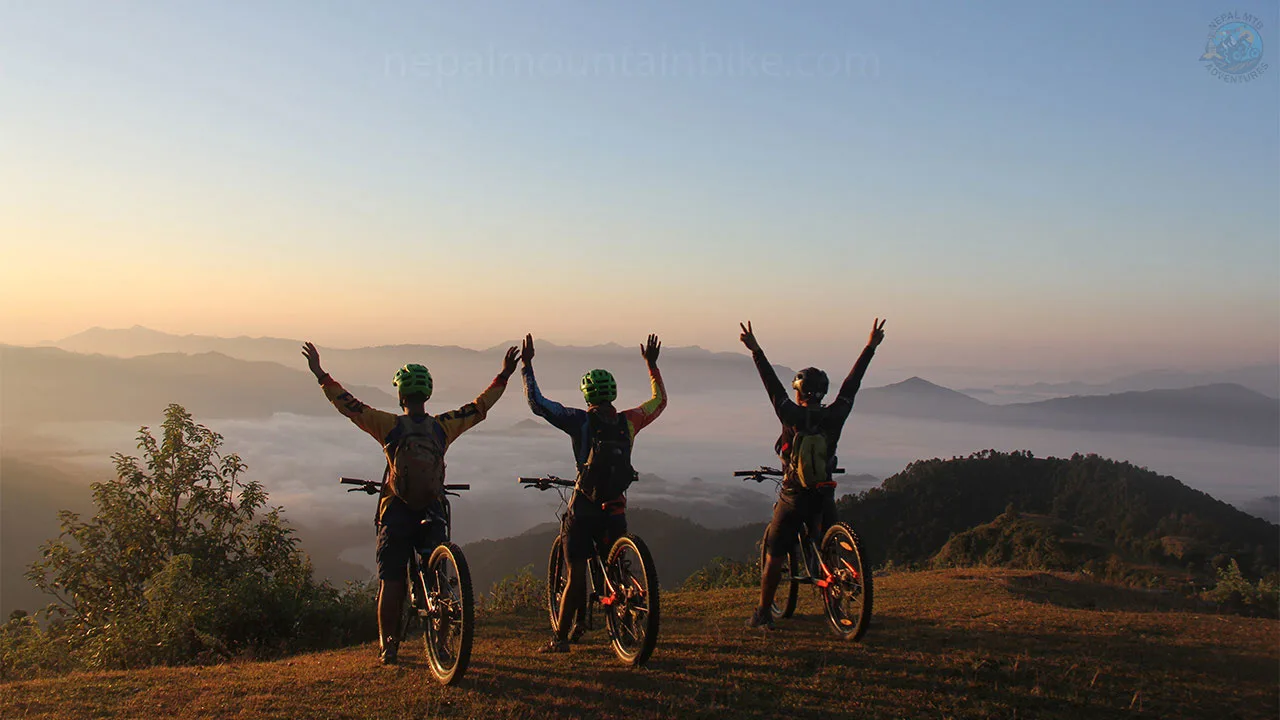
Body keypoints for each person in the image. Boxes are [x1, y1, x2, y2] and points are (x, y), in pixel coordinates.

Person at [301, 340, 519, 664]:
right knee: (438, 578)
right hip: (432, 509)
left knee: (391, 581)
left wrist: (320, 373)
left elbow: (349, 405)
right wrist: (504, 374)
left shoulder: (387, 426)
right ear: (427, 395)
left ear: (401, 395)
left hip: (396, 511)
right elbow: (478, 408)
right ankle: (443, 644)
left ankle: (388, 646)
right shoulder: (442, 427)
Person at [519, 332, 667, 653]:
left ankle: (560, 639)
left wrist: (527, 366)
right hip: (616, 508)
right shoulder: (629, 421)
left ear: (587, 395)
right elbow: (659, 403)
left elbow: (538, 405)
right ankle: (625, 621)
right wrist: (651, 366)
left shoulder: (579, 421)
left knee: (574, 574)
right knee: (617, 566)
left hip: (585, 508)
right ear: (612, 394)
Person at [738, 318, 886, 629]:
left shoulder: (789, 413)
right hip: (824, 493)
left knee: (775, 553)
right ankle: (836, 600)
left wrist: (756, 350)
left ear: (799, 391)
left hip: (793, 496)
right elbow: (851, 385)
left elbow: (772, 387)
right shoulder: (836, 414)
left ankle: (763, 613)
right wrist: (870, 347)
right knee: (830, 548)